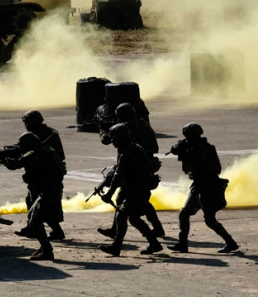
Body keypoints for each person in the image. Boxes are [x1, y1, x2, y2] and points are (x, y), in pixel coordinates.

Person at [169, 123, 238, 254]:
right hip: (198, 185)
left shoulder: (204, 149)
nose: (186, 139)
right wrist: (179, 148)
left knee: (210, 220)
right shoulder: (194, 146)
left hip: (208, 187)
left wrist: (182, 152)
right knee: (184, 213)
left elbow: (194, 163)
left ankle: (230, 242)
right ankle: (182, 243)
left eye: (188, 136)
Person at [98, 103, 165, 238]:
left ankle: (116, 232)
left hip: (133, 165)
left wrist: (102, 128)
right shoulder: (144, 124)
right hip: (149, 163)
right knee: (143, 201)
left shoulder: (124, 128)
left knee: (122, 199)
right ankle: (157, 228)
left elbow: (105, 140)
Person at [0, 132, 66, 260]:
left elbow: (15, 165)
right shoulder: (49, 150)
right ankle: (46, 246)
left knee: (34, 221)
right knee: (42, 216)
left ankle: (47, 250)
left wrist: (4, 160)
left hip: (46, 191)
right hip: (54, 189)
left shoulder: (34, 153)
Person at [19, 110, 66, 241]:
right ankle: (32, 227)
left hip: (43, 176)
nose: (26, 125)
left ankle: (51, 231)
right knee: (32, 201)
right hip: (44, 175)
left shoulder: (37, 136)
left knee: (41, 205)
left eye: (27, 123)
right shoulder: (51, 133)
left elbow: (23, 154)